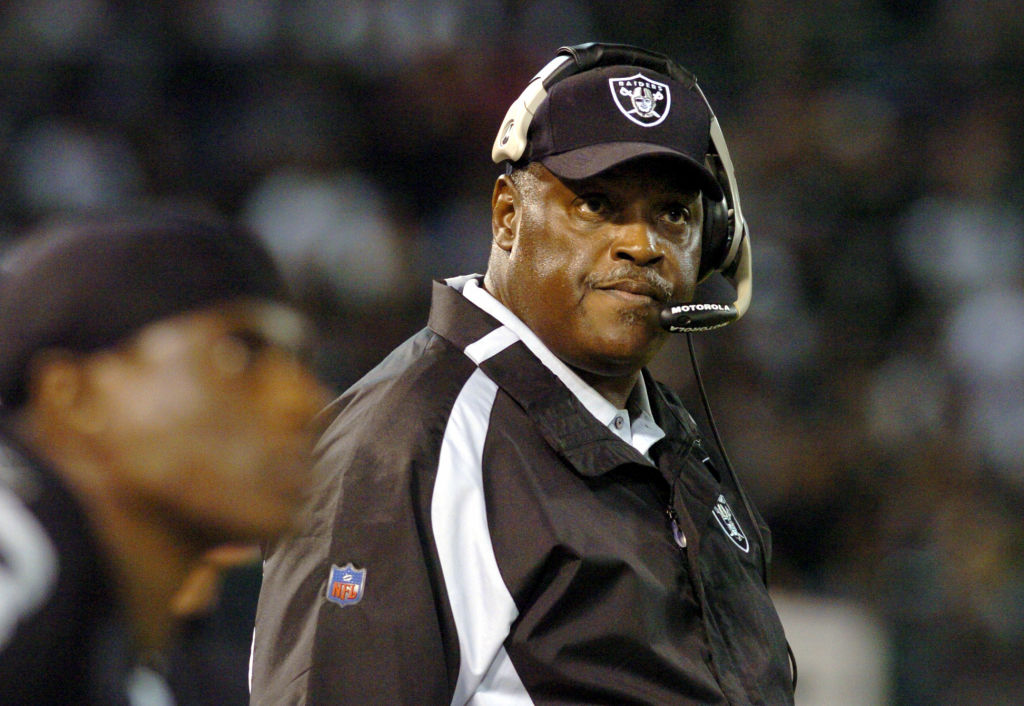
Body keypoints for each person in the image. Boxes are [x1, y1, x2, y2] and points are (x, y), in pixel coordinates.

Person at [251, 42, 795, 704]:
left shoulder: (664, 439)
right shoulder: (407, 440)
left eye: (673, 214)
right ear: (508, 216)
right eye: (597, 205)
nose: (643, 245)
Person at [0, 210, 329, 705]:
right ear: (73, 396)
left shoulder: (114, 650)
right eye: (240, 353)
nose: (304, 400)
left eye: (299, 361)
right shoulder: (18, 539)